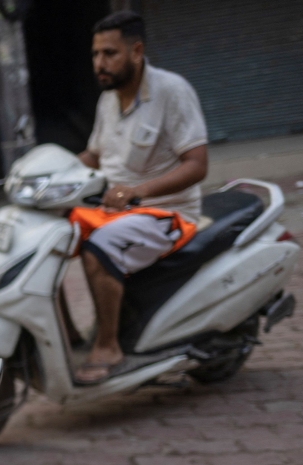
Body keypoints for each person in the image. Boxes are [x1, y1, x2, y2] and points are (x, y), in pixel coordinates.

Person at [74, 10, 208, 383]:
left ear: (136, 51)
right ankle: (70, 335)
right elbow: (94, 156)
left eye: (109, 53)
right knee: (53, 236)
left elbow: (197, 165)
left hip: (167, 213)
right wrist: (52, 171)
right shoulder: (109, 99)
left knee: (98, 248)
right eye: (96, 54)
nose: (100, 63)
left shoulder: (172, 91)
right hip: (117, 210)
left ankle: (108, 345)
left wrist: (138, 192)